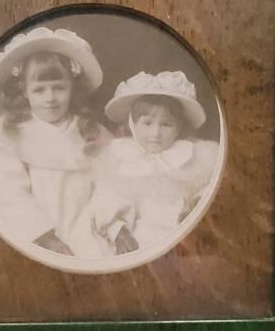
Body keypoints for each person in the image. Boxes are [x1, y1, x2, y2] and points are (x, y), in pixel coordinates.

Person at [0, 27, 112, 258]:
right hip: (35, 235)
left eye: (59, 88)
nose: (50, 99)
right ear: (24, 91)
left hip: (88, 228)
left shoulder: (91, 131)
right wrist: (44, 237)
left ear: (73, 88)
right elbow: (9, 193)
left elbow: (109, 185)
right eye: (39, 90)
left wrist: (108, 224)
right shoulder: (6, 133)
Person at [92, 70, 220, 253]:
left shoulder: (198, 157)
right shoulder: (119, 160)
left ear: (179, 128)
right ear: (132, 125)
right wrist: (119, 232)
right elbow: (106, 201)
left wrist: (197, 207)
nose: (156, 134)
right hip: (140, 241)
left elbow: (209, 189)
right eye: (147, 123)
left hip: (185, 236)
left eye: (166, 124)